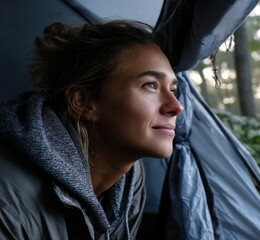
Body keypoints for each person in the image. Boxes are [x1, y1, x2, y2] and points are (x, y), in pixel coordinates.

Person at [0, 20, 183, 239]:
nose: (176, 107)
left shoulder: (129, 177)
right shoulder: (7, 195)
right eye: (150, 85)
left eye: (173, 89)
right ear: (84, 102)